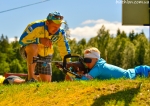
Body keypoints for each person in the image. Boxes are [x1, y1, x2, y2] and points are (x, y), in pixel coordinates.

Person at [19, 11, 71, 82]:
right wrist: (39, 40)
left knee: (46, 82)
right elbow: (22, 41)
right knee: (34, 46)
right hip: (29, 50)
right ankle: (31, 78)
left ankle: (17, 81)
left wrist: (69, 69)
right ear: (47, 23)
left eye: (59, 27)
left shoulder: (61, 32)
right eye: (54, 26)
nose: (56, 29)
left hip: (45, 54)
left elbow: (64, 50)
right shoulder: (34, 26)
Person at [67, 47, 150, 80]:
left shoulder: (99, 67)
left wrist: (73, 78)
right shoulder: (97, 66)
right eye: (85, 61)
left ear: (96, 59)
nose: (87, 63)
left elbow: (86, 80)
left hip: (139, 73)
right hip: (135, 73)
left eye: (88, 60)